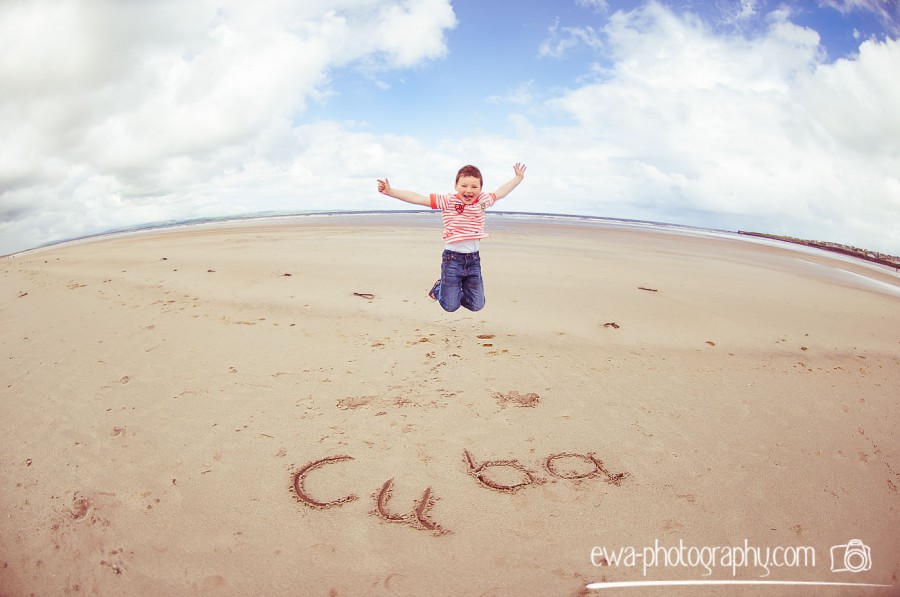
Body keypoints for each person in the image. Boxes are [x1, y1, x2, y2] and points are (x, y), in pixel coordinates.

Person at [377, 163, 526, 312]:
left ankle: (453, 289)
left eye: (474, 187)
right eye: (464, 185)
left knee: (477, 305)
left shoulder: (483, 201)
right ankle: (439, 288)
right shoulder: (448, 201)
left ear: (480, 188)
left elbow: (501, 192)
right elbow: (418, 198)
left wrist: (518, 178)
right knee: (450, 306)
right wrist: (391, 192)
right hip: (452, 260)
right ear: (456, 186)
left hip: (474, 260)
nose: (469, 190)